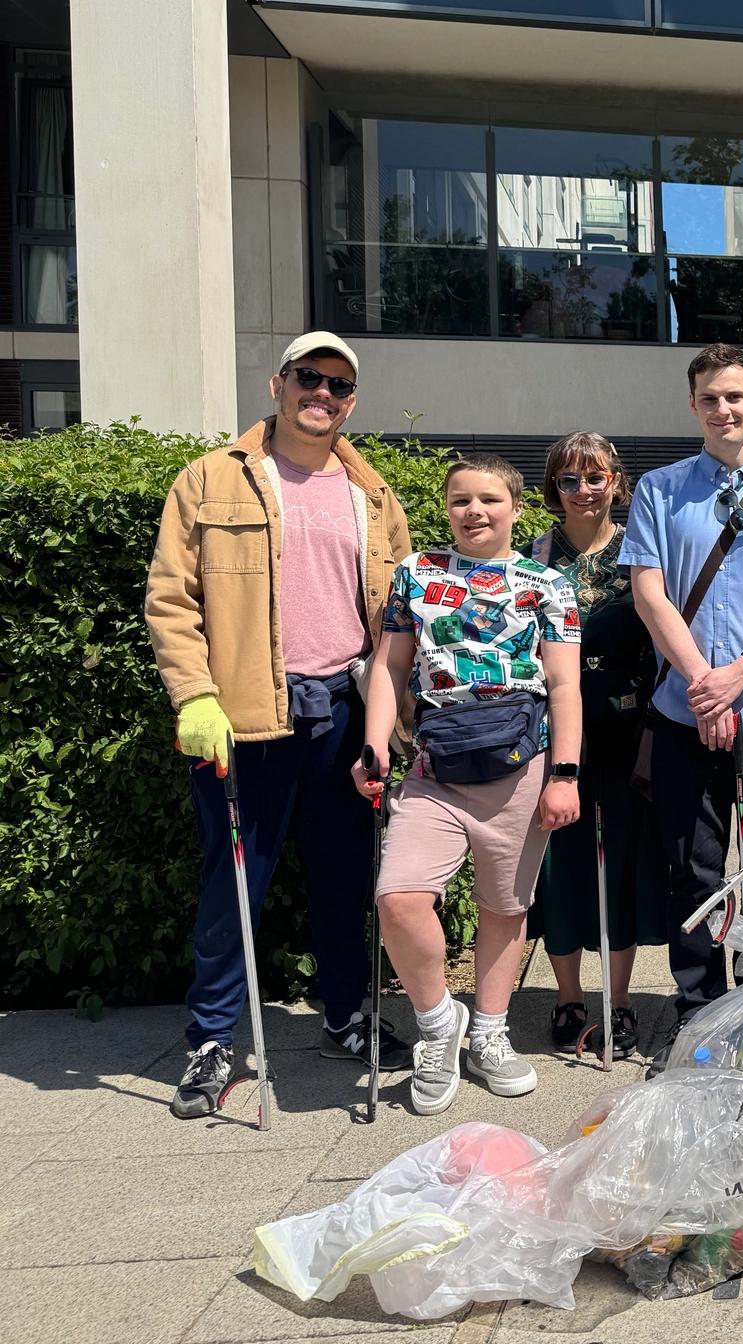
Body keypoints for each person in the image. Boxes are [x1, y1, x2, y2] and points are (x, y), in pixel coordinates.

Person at [146, 331, 413, 1120]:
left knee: (341, 878)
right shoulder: (210, 480)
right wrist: (193, 695)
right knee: (235, 885)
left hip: (344, 709)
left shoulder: (373, 493)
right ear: (277, 383)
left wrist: (397, 714)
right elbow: (170, 598)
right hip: (245, 716)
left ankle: (342, 1016)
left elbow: (398, 615)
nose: (320, 394)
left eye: (337, 384)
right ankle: (211, 1041)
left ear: (350, 400)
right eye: (308, 378)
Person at [354, 455, 584, 1115]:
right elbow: (389, 667)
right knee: (398, 898)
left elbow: (565, 685)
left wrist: (564, 774)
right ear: (447, 508)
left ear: (515, 508)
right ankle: (438, 1025)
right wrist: (373, 746)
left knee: (504, 909)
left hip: (521, 765)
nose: (474, 511)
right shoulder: (416, 574)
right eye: (461, 500)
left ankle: (489, 1032)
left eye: (489, 499)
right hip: (435, 768)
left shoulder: (546, 584)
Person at [623, 344, 743, 1051]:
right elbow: (650, 593)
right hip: (684, 710)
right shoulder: (660, 489)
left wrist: (740, 672)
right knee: (694, 866)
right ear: (693, 406)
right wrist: (704, 687)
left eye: (734, 396)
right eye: (710, 398)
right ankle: (698, 999)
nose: (723, 409)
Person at [524, 433, 665, 1059]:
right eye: (567, 480)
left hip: (626, 726)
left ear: (616, 481)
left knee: (623, 861)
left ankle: (622, 1001)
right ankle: (567, 997)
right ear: (553, 488)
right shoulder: (532, 556)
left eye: (594, 477)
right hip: (556, 730)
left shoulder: (642, 553)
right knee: (562, 863)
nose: (582, 491)